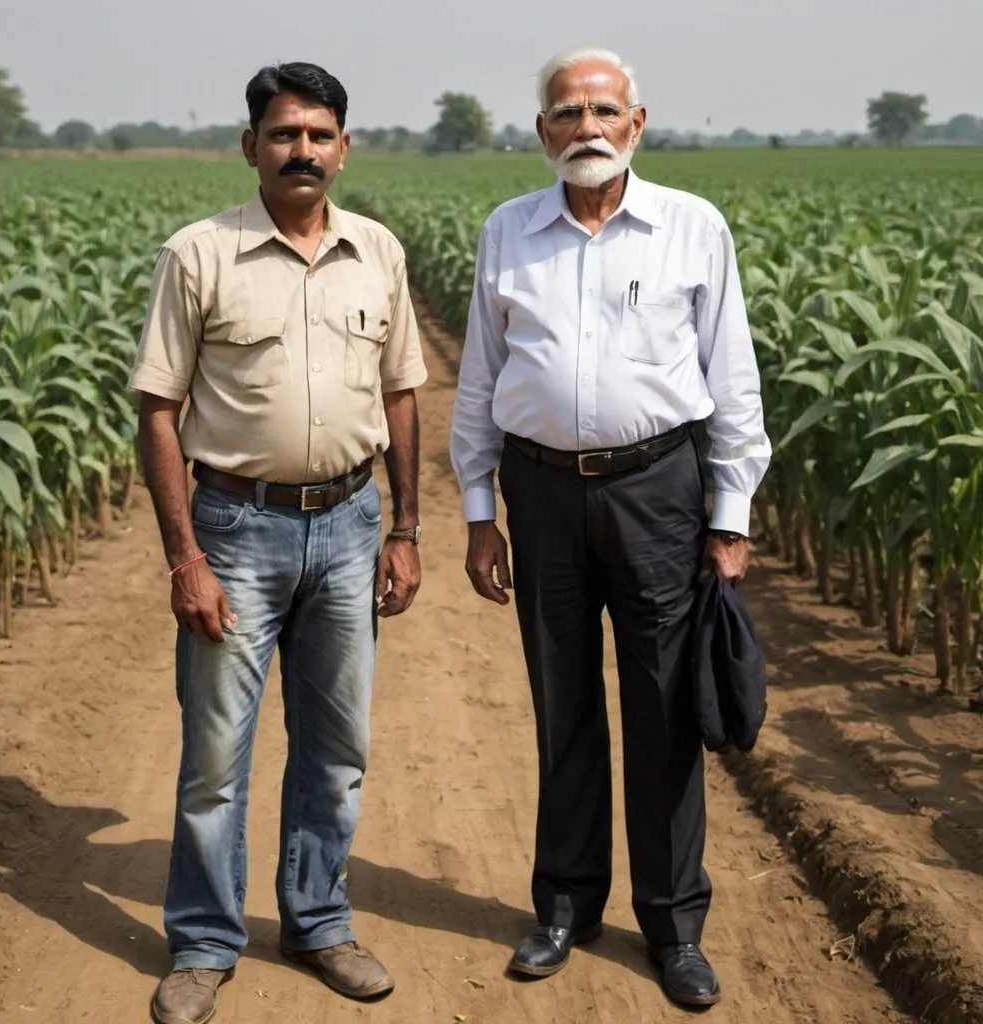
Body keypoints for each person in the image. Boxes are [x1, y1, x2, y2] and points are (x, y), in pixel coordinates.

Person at [449, 46, 771, 1008]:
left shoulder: (691, 228)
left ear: (636, 123)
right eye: (565, 113)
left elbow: (733, 380)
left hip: (656, 491)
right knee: (563, 704)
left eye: (602, 111)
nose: (584, 128)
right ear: (542, 131)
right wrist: (478, 512)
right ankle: (564, 907)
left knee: (666, 710)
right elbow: (477, 382)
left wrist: (729, 515)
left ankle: (674, 926)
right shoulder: (509, 230)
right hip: (540, 492)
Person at [130, 61, 427, 1024]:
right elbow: (159, 410)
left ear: (345, 147)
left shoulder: (377, 251)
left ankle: (318, 922)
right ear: (251, 144)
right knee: (216, 758)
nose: (303, 149)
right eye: (284, 133)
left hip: (348, 524)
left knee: (336, 747)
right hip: (236, 527)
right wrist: (185, 558)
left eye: (319, 133)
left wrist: (407, 528)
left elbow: (401, 392)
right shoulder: (200, 253)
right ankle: (205, 943)